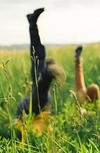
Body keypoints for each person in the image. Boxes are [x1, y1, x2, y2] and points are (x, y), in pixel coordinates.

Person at [16, 8, 65, 141]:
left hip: (30, 110)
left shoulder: (42, 89)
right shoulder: (41, 86)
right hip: (27, 110)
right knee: (39, 55)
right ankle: (32, 23)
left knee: (39, 55)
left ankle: (32, 23)